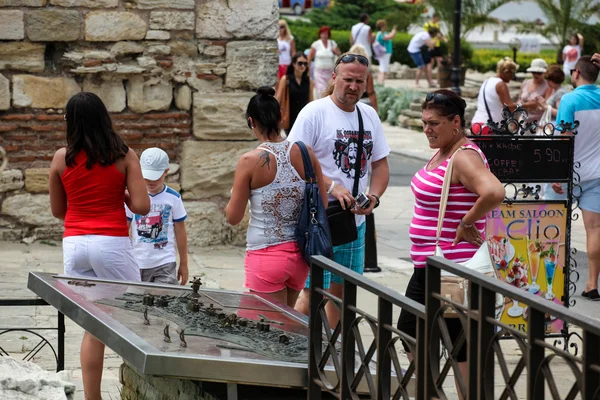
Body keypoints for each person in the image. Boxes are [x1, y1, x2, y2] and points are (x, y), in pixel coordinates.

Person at [397, 90, 505, 397]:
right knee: (410, 332)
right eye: (424, 122)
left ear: (456, 122)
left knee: (460, 350)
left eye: (434, 123)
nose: (427, 129)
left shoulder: (465, 156)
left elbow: (494, 192)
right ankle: (432, 392)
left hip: (453, 270)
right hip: (429, 265)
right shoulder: (444, 150)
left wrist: (466, 222)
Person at [48, 92, 150, 400]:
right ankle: (139, 391)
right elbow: (142, 206)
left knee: (93, 328)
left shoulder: (60, 158)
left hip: (75, 244)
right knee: (135, 318)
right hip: (113, 244)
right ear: (104, 118)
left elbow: (58, 211)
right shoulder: (124, 155)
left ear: (71, 122)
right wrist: (121, 196)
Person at [288, 53, 391, 328]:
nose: (354, 86)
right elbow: (292, 158)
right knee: (311, 293)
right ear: (334, 78)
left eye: (360, 81)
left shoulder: (368, 115)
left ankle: (335, 354)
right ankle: (292, 351)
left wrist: (374, 197)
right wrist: (332, 186)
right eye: (348, 79)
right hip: (318, 220)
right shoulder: (314, 113)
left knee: (343, 294)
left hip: (353, 222)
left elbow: (380, 165)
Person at [225, 86, 328, 307]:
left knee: (266, 330)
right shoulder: (306, 152)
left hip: (265, 256)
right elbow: (323, 204)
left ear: (251, 122)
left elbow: (233, 217)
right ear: (281, 117)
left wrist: (234, 195)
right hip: (301, 256)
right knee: (286, 326)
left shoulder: (249, 161)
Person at [552, 55, 600, 301]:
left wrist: (558, 173)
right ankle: (592, 284)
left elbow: (564, 138)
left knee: (554, 224)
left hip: (571, 172)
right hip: (597, 174)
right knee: (594, 229)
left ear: (577, 73)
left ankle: (551, 280)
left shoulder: (569, 99)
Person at [125, 147, 188, 286]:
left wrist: (184, 263)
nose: (150, 182)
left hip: (164, 263)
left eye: (156, 177)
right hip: (137, 262)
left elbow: (180, 230)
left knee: (166, 300)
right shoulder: (131, 196)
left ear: (166, 171)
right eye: (146, 177)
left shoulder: (173, 198)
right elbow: (124, 228)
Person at [471, 57, 519, 134]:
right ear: (506, 72)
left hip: (477, 123)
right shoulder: (501, 84)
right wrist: (528, 105)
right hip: (489, 127)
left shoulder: (487, 81)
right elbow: (509, 107)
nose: (513, 76)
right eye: (513, 73)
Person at [276, 51, 314, 134]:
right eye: (300, 63)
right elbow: (278, 98)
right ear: (293, 64)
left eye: (305, 63)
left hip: (304, 117)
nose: (303, 66)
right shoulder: (286, 79)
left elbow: (311, 101)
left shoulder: (309, 81)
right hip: (289, 116)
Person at [307, 26, 341, 98]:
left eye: (326, 33)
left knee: (330, 89)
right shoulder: (316, 44)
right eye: (322, 33)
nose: (324, 35)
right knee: (321, 90)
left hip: (330, 71)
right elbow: (309, 58)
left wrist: (335, 51)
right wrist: (308, 70)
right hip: (319, 72)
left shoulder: (332, 43)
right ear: (320, 34)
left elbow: (340, 55)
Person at [519, 58, 552, 124]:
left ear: (544, 73)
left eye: (539, 73)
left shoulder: (548, 86)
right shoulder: (525, 83)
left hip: (539, 122)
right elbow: (519, 99)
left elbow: (547, 105)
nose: (536, 75)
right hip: (523, 120)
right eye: (533, 72)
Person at [349, 44, 378, 112]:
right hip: (364, 102)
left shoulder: (346, 72)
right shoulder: (367, 73)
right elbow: (370, 92)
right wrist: (375, 109)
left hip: (349, 103)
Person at [374, 19, 397, 85]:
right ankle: (380, 83)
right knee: (383, 69)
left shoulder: (383, 33)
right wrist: (394, 30)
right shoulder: (380, 34)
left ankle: (381, 83)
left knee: (383, 68)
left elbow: (391, 36)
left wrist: (393, 32)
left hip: (385, 53)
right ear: (382, 26)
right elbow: (390, 36)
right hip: (384, 53)